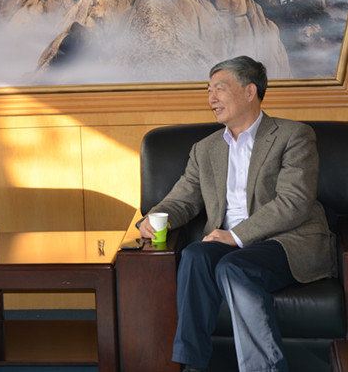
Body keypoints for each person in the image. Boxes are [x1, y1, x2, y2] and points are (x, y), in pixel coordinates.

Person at [138, 56, 336, 372]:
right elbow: (182, 200)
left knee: (233, 268)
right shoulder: (205, 149)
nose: (211, 98)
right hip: (230, 244)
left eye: (219, 89)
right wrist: (153, 218)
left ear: (249, 91)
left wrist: (235, 236)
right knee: (194, 255)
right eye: (208, 91)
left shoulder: (294, 135)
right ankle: (191, 365)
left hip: (286, 241)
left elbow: (294, 202)